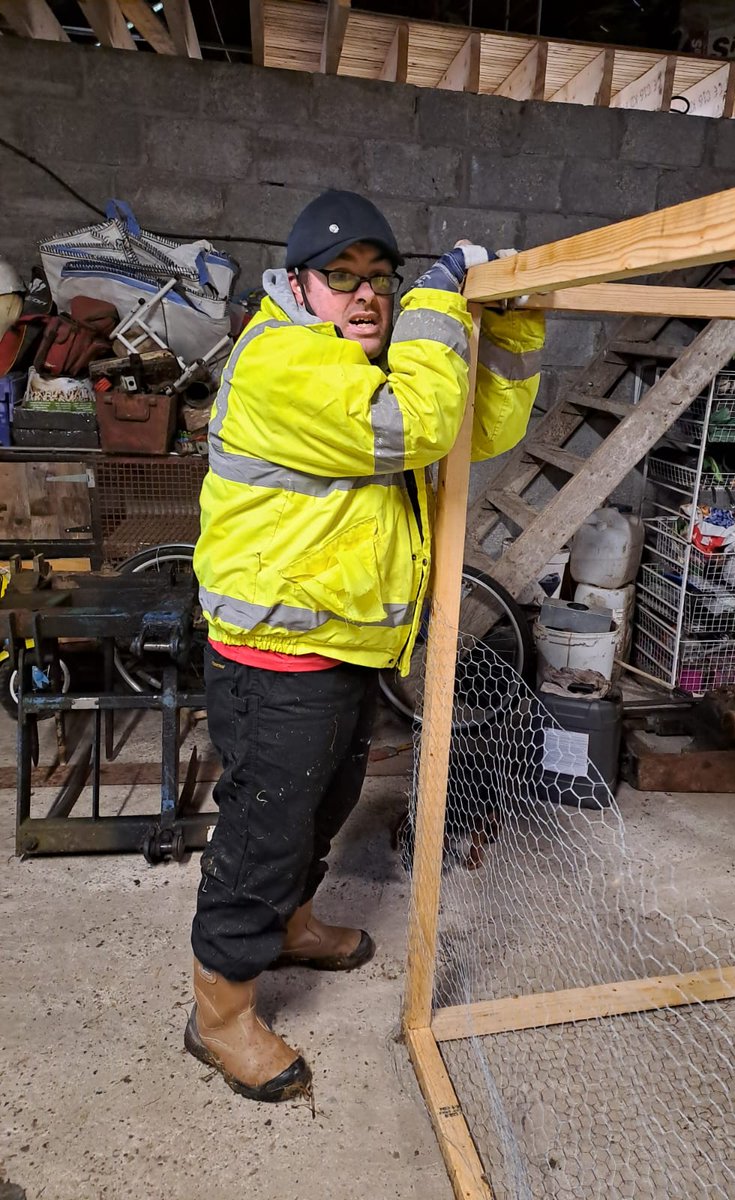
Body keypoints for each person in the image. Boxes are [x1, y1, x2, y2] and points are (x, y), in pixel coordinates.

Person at [185, 189, 544, 1102]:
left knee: (325, 805)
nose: (366, 296)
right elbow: (416, 425)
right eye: (341, 279)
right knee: (264, 834)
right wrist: (435, 298)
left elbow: (474, 431)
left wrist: (511, 338)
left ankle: (294, 921)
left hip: (341, 650)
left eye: (380, 280)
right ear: (297, 284)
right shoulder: (281, 361)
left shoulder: (378, 368)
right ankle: (218, 1016)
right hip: (273, 657)